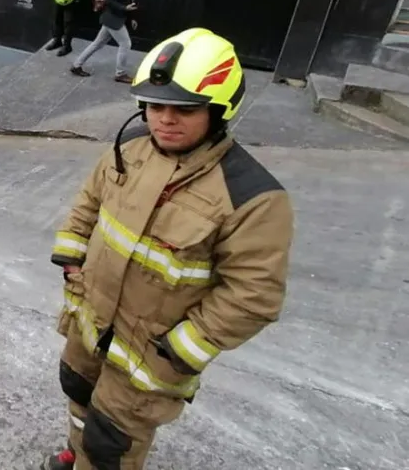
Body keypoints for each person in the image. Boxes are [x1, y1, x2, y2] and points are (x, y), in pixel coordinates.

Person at [42, 28, 295, 470]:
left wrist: (180, 348)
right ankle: (74, 456)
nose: (164, 119)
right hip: (92, 322)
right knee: (78, 392)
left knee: (112, 442)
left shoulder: (252, 196)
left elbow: (255, 295)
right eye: (156, 106)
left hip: (151, 354)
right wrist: (71, 260)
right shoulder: (131, 148)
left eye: (184, 109)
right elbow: (89, 201)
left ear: (219, 111)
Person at [70, 0, 143, 83]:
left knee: (97, 43)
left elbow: (128, 1)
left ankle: (76, 65)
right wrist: (124, 9)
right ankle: (120, 74)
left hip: (114, 18)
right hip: (113, 18)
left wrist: (131, 17)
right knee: (126, 44)